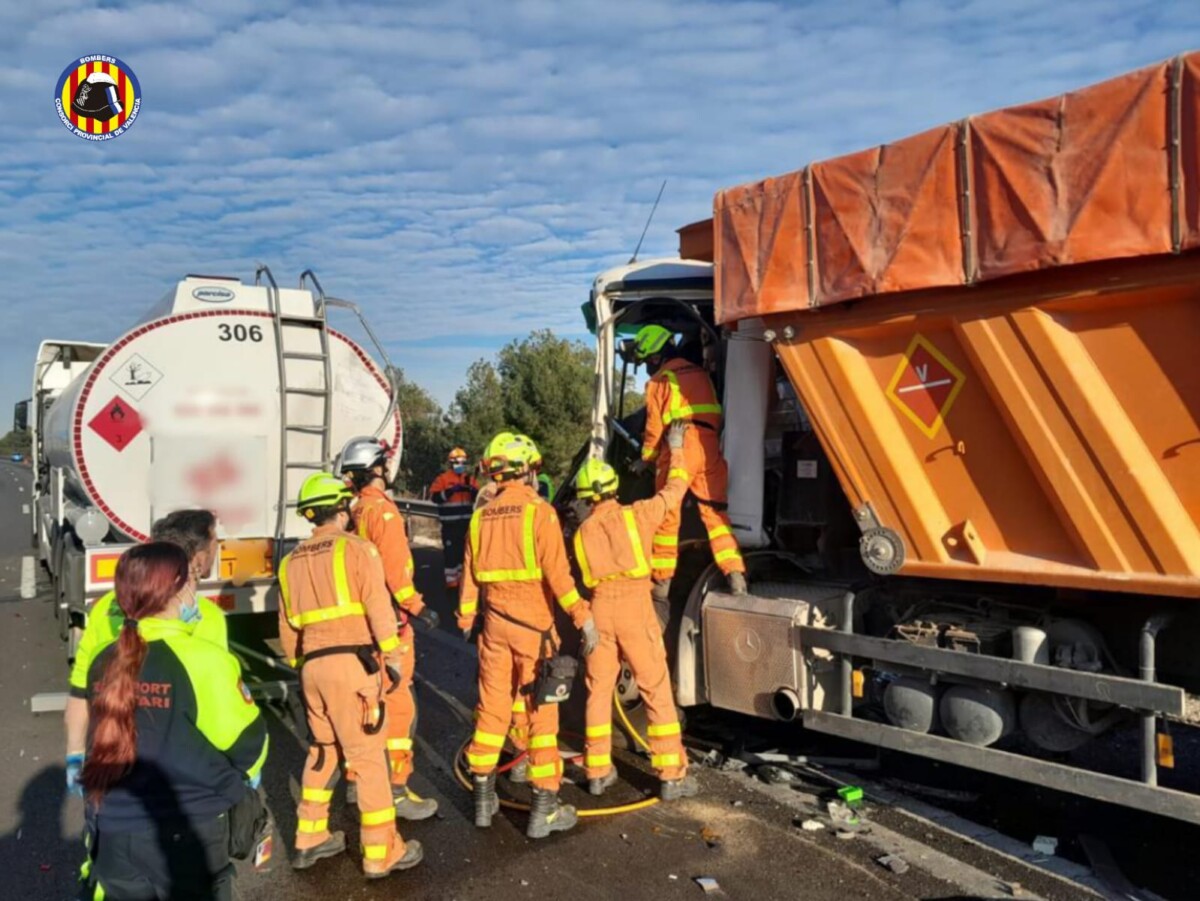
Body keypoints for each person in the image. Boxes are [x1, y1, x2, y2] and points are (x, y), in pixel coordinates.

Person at [76, 542, 269, 901]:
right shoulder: (203, 660)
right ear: (178, 588)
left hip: (114, 829)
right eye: (191, 580)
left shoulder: (104, 660)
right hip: (187, 831)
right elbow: (247, 745)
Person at [456, 431, 600, 839]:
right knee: (541, 717)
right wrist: (583, 617)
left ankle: (483, 800)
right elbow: (559, 576)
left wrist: (467, 620)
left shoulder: (480, 517)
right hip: (534, 632)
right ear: (528, 470)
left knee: (492, 711)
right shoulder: (539, 513)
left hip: (494, 630)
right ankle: (544, 809)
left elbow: (469, 580)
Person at [278, 473, 421, 879]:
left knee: (323, 752)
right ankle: (380, 853)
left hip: (312, 670)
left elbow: (288, 630)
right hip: (353, 667)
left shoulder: (290, 563)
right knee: (368, 759)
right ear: (342, 509)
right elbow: (379, 609)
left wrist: (300, 668)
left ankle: (309, 837)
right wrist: (391, 658)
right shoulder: (359, 550)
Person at [574, 421, 699, 801]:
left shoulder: (582, 533)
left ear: (584, 496)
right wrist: (675, 448)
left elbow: (582, 577)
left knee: (598, 691)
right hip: (633, 605)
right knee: (655, 688)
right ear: (614, 488)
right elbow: (675, 490)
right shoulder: (638, 514)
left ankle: (597, 772)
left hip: (599, 610)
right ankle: (671, 775)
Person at [65, 509, 227, 797]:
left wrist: (75, 753)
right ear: (200, 559)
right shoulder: (208, 618)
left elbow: (80, 692)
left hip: (111, 759)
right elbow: (219, 707)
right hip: (185, 774)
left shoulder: (105, 608)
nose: (219, 548)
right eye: (216, 542)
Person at [336, 436, 439, 820]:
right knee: (398, 705)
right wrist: (418, 607)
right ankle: (395, 788)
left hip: (357, 622)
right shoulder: (383, 512)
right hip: (389, 624)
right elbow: (395, 571)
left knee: (365, 701)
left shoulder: (353, 511)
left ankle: (355, 780)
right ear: (377, 468)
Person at [632, 324, 748, 620]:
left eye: (647, 361)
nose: (647, 367)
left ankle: (660, 588)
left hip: (679, 446)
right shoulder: (700, 374)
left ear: (656, 357)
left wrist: (646, 459)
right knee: (715, 515)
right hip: (710, 447)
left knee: (667, 517)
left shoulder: (660, 381)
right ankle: (735, 575)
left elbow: (653, 429)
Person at [429, 447, 477, 588]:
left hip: (466, 523)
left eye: (462, 463)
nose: (460, 466)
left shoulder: (470, 479)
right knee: (451, 553)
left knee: (464, 552)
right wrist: (451, 491)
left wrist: (472, 490)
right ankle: (451, 580)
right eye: (457, 463)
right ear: (451, 463)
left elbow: (478, 498)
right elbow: (435, 497)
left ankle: (463, 579)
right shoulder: (443, 479)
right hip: (450, 525)